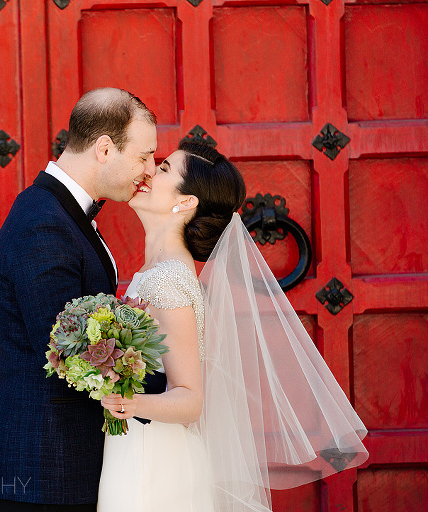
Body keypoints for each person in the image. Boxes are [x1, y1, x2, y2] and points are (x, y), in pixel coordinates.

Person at [97, 141, 368, 511]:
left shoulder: (171, 282)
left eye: (163, 170)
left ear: (186, 202)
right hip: (137, 445)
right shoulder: (153, 274)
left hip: (155, 461)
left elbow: (190, 400)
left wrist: (123, 401)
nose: (148, 171)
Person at [0, 87, 158, 511]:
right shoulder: (44, 223)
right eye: (144, 155)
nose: (149, 170)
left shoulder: (60, 213)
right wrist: (175, 395)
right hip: (43, 469)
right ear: (105, 149)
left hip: (58, 466)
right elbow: (66, 352)